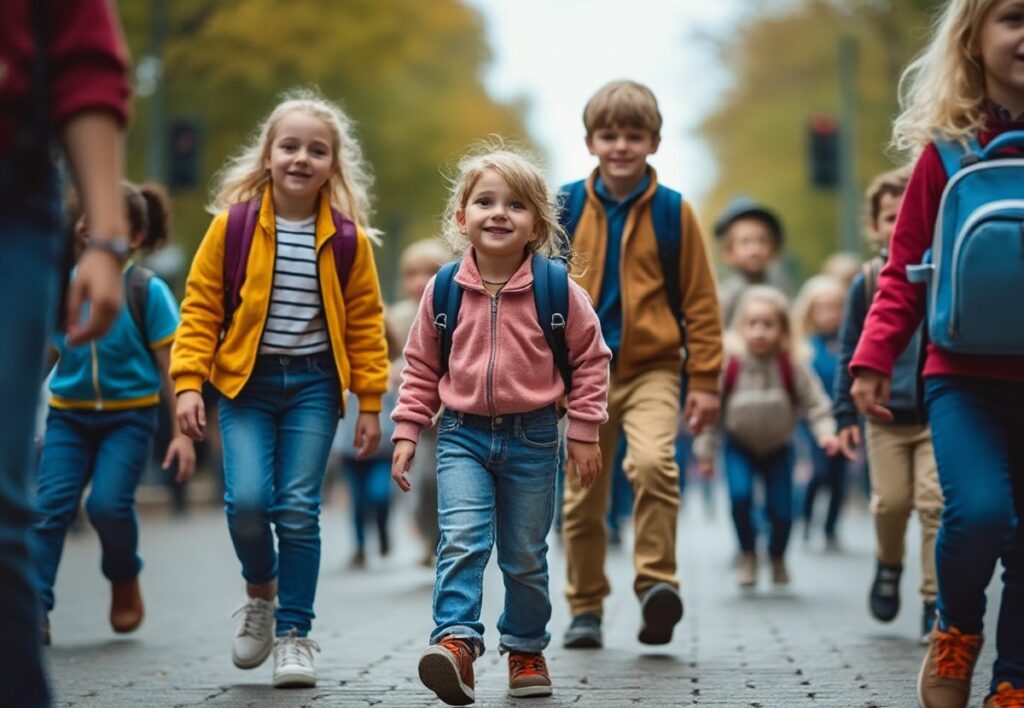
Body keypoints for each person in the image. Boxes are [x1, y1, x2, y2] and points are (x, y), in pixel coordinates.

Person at [171, 89, 389, 689]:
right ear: (267, 155)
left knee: (297, 508)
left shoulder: (348, 240)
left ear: (332, 164)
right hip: (246, 386)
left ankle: (294, 633)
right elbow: (199, 309)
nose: (301, 158)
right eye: (288, 146)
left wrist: (370, 403)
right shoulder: (232, 227)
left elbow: (367, 323)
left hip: (316, 386)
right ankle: (261, 592)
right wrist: (189, 383)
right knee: (245, 504)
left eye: (316, 150)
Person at [390, 143, 610, 704]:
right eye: (484, 202)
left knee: (525, 555)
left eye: (515, 205)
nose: (498, 213)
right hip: (461, 434)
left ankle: (526, 648)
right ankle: (457, 644)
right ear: (461, 217)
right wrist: (408, 430)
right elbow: (420, 366)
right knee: (461, 541)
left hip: (534, 436)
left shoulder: (556, 289)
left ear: (536, 224)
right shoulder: (444, 290)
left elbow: (591, 359)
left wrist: (583, 429)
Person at [850, 1, 1024, 705]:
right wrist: (870, 358)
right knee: (981, 513)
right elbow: (902, 269)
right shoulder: (945, 153)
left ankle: (1013, 677)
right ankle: (956, 630)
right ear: (974, 41)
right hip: (963, 376)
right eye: (1014, 16)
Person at [560, 80, 722, 650]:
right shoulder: (564, 207)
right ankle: (585, 606)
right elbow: (538, 291)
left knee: (655, 465)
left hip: (653, 368)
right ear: (590, 142)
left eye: (634, 135)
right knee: (583, 496)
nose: (621, 146)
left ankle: (656, 585)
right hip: (582, 375)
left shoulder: (675, 212)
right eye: (610, 135)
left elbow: (700, 301)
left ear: (654, 142)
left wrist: (703, 379)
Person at [1, 2, 131, 705]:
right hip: (77, 414)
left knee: (13, 505)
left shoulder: (144, 294)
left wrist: (105, 238)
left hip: (10, 203)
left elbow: (86, 67)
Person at [29, 182, 195, 645]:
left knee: (106, 505)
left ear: (135, 236)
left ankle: (124, 577)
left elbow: (171, 366)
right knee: (48, 509)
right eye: (83, 220)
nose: (88, 228)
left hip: (129, 418)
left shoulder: (147, 291)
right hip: (68, 417)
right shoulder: (63, 287)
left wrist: (181, 433)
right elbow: (46, 355)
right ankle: (35, 610)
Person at [834, 167, 942, 644]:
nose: (899, 227)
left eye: (908, 217)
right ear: (874, 226)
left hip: (940, 411)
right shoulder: (870, 280)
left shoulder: (945, 270)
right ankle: (889, 564)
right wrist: (843, 415)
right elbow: (849, 349)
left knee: (935, 506)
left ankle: (931, 601)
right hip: (885, 416)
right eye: (890, 218)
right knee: (891, 503)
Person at [694, 286, 844, 588]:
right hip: (739, 445)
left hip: (778, 448)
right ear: (741, 327)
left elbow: (816, 404)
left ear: (783, 329)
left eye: (768, 324)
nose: (760, 332)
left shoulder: (792, 364)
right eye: (753, 324)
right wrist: (706, 453)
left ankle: (777, 556)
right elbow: (713, 414)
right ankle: (748, 554)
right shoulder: (730, 364)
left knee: (782, 510)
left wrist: (826, 434)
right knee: (739, 497)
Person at [388, 238, 450, 566]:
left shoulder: (458, 309)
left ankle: (449, 541)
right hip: (416, 417)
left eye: (430, 272)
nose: (419, 281)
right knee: (421, 482)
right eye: (411, 273)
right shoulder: (396, 319)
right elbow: (382, 360)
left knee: (447, 480)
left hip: (454, 414)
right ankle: (430, 538)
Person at [793, 275, 849, 549]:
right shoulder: (804, 346)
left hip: (844, 420)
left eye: (835, 307)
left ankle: (830, 528)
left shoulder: (849, 343)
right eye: (822, 307)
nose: (829, 314)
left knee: (840, 477)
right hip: (811, 423)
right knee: (820, 472)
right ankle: (805, 516)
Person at [713, 196, 788, 328]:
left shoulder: (782, 293)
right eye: (745, 242)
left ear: (773, 248)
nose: (755, 250)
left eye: (762, 241)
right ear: (729, 251)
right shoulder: (724, 298)